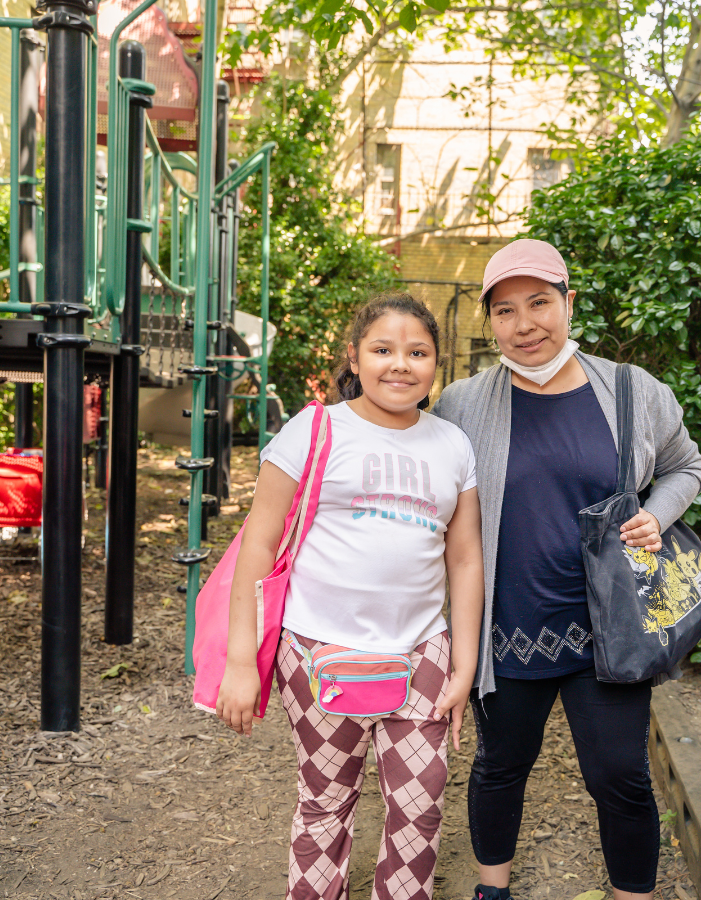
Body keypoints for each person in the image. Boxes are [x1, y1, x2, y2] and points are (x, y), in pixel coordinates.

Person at [433, 240, 701, 900]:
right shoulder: (462, 404)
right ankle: (491, 889)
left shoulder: (632, 391)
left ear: (568, 303)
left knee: (619, 774)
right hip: (508, 630)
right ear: (490, 321)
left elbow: (685, 467)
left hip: (606, 632)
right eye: (504, 310)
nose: (524, 324)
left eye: (539, 303)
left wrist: (658, 514)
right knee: (500, 766)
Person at [216, 292, 485, 900]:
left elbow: (465, 558)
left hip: (422, 655)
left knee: (420, 811)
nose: (400, 364)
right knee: (326, 800)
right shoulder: (314, 430)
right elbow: (257, 548)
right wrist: (241, 661)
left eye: (417, 352)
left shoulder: (452, 445)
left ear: (436, 364)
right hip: (316, 653)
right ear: (355, 357)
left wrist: (463, 662)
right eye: (382, 349)